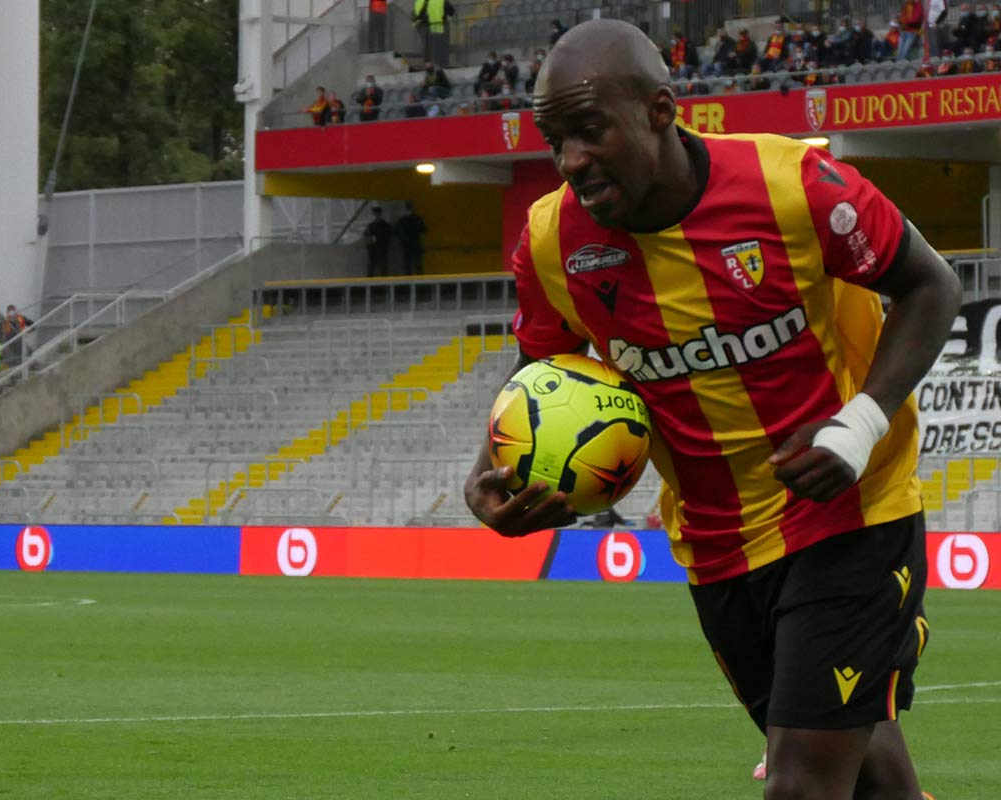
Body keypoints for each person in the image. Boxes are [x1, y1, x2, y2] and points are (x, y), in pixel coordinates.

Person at [462, 19, 961, 800]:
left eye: (590, 133)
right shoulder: (553, 241)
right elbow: (541, 370)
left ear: (661, 111)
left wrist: (859, 425)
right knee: (872, 783)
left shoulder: (796, 186)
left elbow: (932, 286)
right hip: (716, 543)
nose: (571, 162)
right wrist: (491, 471)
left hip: (851, 514)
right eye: (556, 140)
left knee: (799, 785)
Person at [412, 0, 449, 67]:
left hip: (427, 23)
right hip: (426, 23)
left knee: (430, 42)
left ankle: (431, 62)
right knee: (429, 42)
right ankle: (430, 62)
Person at [394, 202, 427, 275]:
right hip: (414, 244)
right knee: (416, 265)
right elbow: (424, 229)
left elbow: (396, 232)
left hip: (407, 245)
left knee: (408, 266)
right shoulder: (417, 219)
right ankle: (420, 282)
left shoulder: (402, 221)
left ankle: (410, 282)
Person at [364, 206, 392, 278]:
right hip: (381, 250)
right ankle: (384, 286)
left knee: (372, 270)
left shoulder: (371, 226)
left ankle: (370, 285)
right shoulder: (386, 225)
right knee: (382, 270)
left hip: (375, 250)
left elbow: (367, 237)